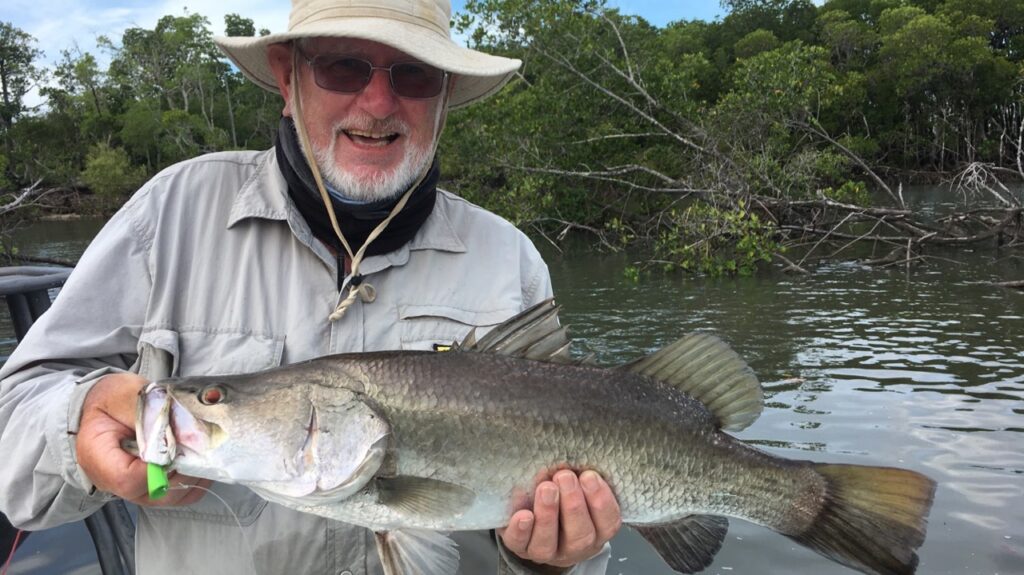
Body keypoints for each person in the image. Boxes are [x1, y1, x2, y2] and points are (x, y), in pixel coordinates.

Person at [0, 0, 622, 573]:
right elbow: (14, 432)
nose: (378, 102)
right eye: (343, 67)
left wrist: (552, 559)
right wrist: (78, 429)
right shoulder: (168, 214)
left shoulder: (511, 258)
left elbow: (571, 523)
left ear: (445, 94)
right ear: (286, 77)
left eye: (413, 75)